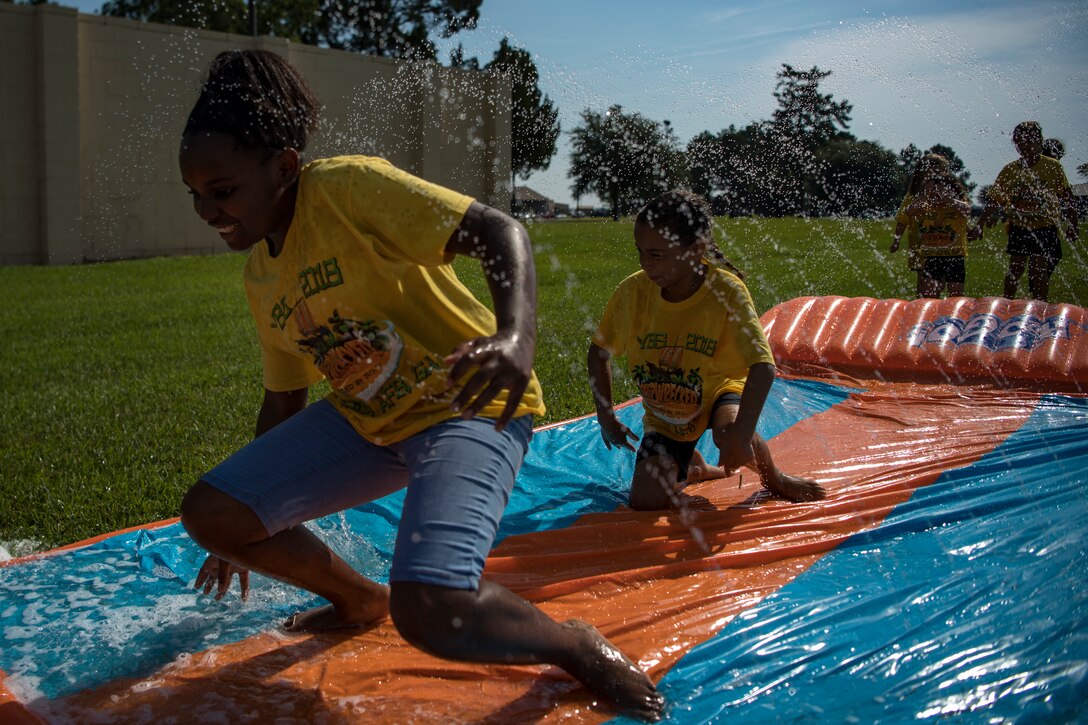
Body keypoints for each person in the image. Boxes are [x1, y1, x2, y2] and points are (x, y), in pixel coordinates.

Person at [177, 49, 663, 721]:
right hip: (371, 425)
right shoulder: (262, 275)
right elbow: (285, 399)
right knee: (210, 512)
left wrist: (514, 339)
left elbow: (500, 230)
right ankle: (356, 599)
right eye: (195, 195)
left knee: (432, 608)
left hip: (469, 403)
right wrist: (252, 517)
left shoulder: (347, 190)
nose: (206, 210)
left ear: (284, 167)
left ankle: (570, 643)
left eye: (222, 191)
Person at [586, 190, 825, 511]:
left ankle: (774, 477)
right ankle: (693, 467)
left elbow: (763, 367)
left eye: (656, 255)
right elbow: (598, 353)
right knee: (645, 502)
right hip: (667, 408)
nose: (645, 264)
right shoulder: (633, 292)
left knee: (729, 429)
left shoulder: (725, 291)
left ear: (695, 249)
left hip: (720, 389)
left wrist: (741, 434)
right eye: (640, 252)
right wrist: (606, 417)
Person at [972, 121, 1080, 302]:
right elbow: (994, 200)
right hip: (1020, 226)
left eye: (1029, 141)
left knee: (1039, 269)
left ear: (1039, 141)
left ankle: (1039, 306)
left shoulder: (1052, 167)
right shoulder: (1010, 170)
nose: (1024, 146)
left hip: (1044, 226)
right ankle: (1006, 304)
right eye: (1019, 142)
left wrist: (1073, 224)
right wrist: (980, 224)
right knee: (1016, 267)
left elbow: (1067, 197)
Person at [901, 168, 972, 298]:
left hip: (954, 257)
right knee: (929, 297)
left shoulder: (956, 207)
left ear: (951, 191)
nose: (936, 198)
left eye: (939, 193)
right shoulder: (926, 207)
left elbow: (968, 210)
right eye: (933, 194)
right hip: (932, 258)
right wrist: (925, 196)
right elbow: (909, 211)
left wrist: (948, 199)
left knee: (956, 296)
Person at [890, 154, 950, 298]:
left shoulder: (945, 195)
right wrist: (896, 240)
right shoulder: (914, 195)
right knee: (923, 279)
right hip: (921, 246)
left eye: (942, 171)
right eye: (936, 170)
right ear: (923, 172)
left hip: (942, 244)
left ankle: (934, 306)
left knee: (940, 282)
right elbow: (903, 220)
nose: (939, 174)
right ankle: (922, 307)